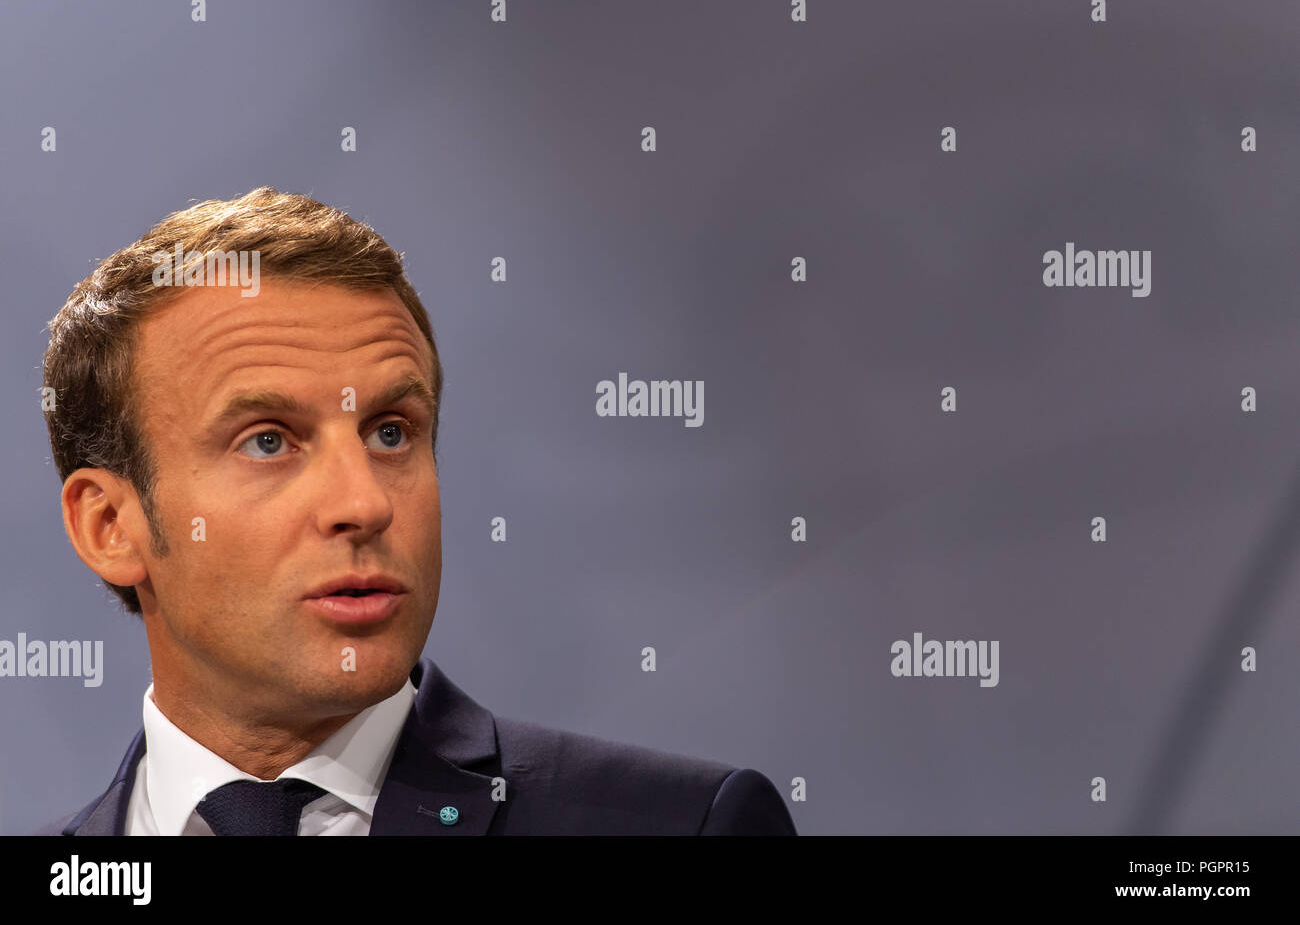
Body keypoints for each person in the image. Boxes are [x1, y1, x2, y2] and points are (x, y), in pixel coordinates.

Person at [32, 188, 795, 836]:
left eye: (390, 432)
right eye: (268, 442)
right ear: (110, 526)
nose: (363, 503)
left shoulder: (682, 824)